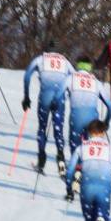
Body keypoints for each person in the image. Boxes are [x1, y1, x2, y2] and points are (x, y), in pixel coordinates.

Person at [22, 45, 74, 175]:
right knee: (58, 129)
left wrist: (26, 97)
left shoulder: (40, 59)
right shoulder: (65, 61)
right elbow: (74, 78)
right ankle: (61, 159)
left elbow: (27, 76)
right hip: (59, 99)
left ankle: (41, 159)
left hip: (45, 97)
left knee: (42, 127)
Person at [60, 55, 111, 156]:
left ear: (78, 66)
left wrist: (54, 105)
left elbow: (57, 97)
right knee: (90, 149)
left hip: (76, 117)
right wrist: (106, 122)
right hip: (93, 121)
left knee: (75, 148)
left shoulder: (70, 78)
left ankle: (77, 168)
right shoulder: (96, 82)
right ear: (89, 68)